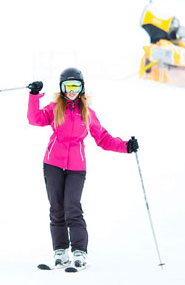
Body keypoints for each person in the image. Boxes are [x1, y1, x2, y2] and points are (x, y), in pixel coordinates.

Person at [27, 67, 139, 269]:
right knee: (57, 208)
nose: (72, 90)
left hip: (77, 167)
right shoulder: (54, 108)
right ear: (61, 88)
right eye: (67, 86)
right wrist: (34, 96)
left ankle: (79, 251)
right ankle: (60, 251)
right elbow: (34, 119)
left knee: (73, 207)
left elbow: (103, 139)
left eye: (76, 86)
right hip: (52, 163)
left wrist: (125, 146)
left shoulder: (87, 113)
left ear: (82, 88)